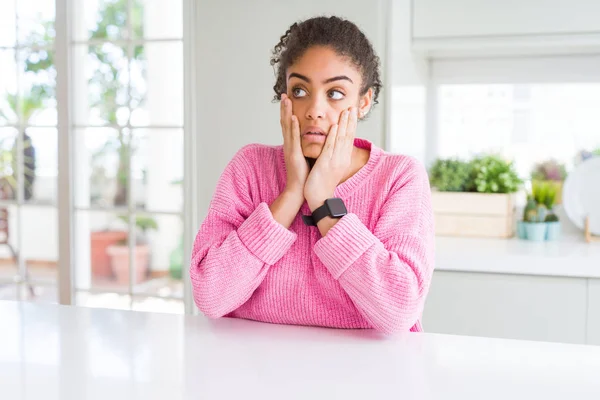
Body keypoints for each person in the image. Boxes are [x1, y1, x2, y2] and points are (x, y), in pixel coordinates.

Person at [189, 16, 435, 335]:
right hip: (255, 372)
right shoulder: (250, 166)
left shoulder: (398, 177)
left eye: (334, 93)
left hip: (366, 378)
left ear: (363, 101)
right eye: (301, 90)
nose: (314, 110)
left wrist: (322, 199)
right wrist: (292, 194)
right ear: (285, 96)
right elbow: (210, 297)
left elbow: (399, 312)